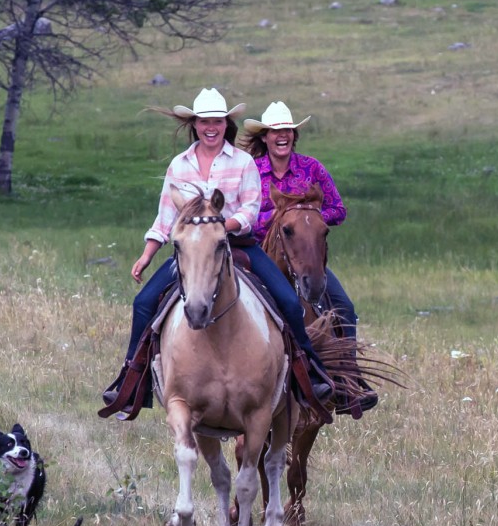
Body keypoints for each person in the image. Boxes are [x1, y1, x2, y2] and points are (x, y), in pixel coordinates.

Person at [101, 88, 331, 417]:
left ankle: (309, 374)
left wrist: (223, 226)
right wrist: (147, 254)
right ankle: (132, 381)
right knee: (144, 303)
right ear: (194, 125)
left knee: (290, 302)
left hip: (239, 245)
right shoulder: (179, 165)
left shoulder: (242, 162)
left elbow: (251, 210)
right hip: (193, 250)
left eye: (218, 122)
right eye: (205, 122)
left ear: (226, 125)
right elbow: (166, 217)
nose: (211, 128)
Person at [238, 100, 378, 412]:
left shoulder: (312, 169)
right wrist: (278, 220)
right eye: (275, 131)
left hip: (306, 257)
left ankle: (347, 382)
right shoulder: (251, 171)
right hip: (261, 256)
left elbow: (338, 210)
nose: (281, 136)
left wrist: (308, 216)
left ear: (294, 134)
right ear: (264, 137)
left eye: (286, 130)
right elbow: (240, 213)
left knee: (343, 306)